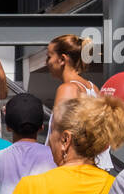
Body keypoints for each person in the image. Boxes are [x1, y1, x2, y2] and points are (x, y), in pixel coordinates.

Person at [46, 34, 114, 170]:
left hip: (73, 170)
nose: (46, 62)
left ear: (62, 59)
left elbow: (59, 135)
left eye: (49, 57)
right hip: (96, 167)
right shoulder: (92, 88)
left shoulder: (68, 89)